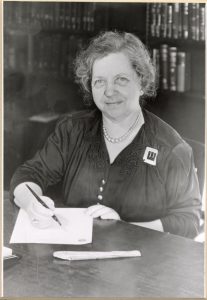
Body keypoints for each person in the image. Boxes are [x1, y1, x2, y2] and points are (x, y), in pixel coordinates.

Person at [10, 31, 201, 238]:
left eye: (120, 80)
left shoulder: (171, 148)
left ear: (142, 82)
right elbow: (27, 175)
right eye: (99, 81)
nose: (109, 91)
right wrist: (32, 205)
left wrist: (123, 226)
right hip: (72, 260)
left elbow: (188, 221)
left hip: (142, 264)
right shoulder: (73, 130)